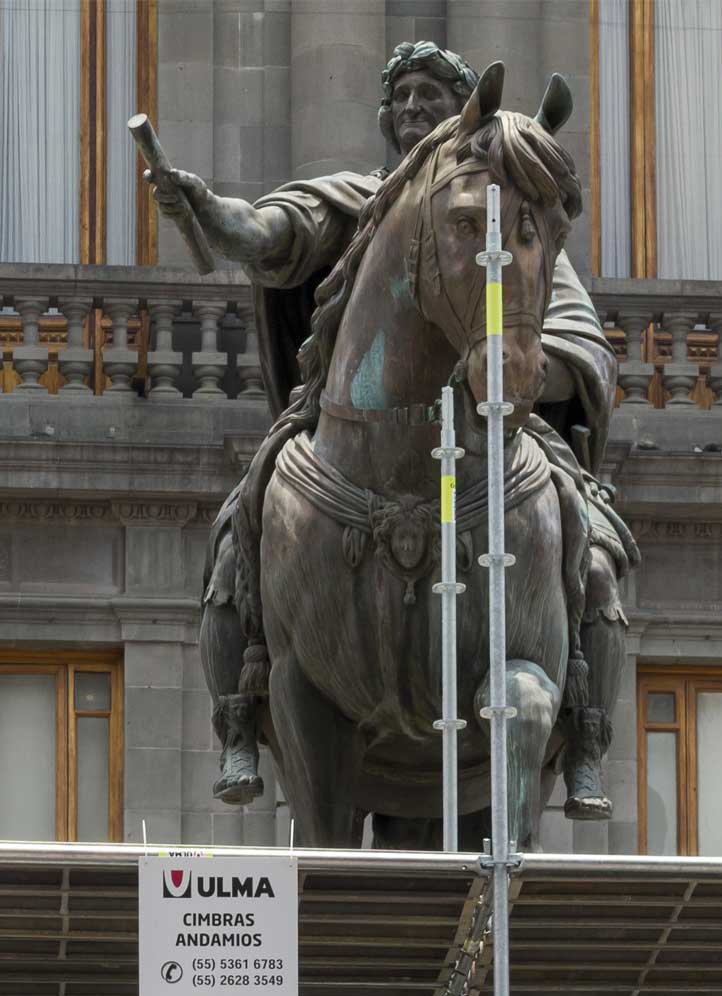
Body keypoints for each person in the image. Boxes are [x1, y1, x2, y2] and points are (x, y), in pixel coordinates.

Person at [147, 39, 635, 822]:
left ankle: (583, 737)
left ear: (465, 115)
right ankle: (240, 712)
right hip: (342, 445)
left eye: (432, 96)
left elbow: (576, 341)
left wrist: (525, 371)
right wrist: (210, 214)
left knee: (597, 553)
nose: (413, 109)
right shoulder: (353, 201)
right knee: (237, 539)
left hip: (486, 443)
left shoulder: (503, 207)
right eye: (401, 96)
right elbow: (270, 232)